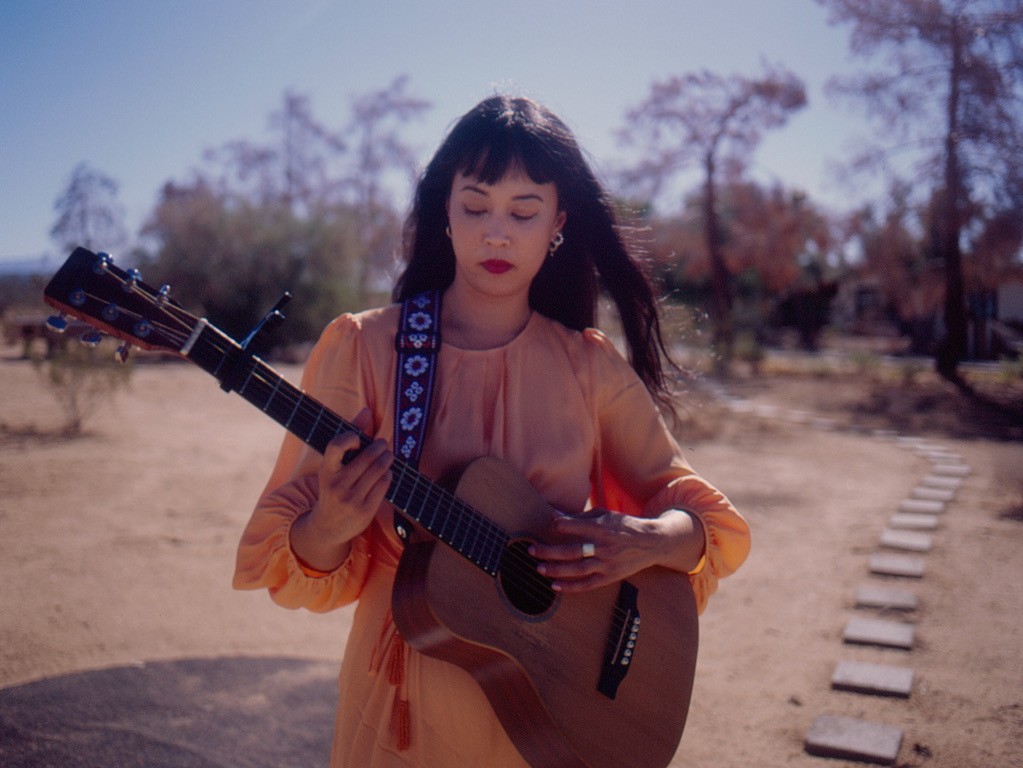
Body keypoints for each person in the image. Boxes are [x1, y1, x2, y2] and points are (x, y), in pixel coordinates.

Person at [233, 94, 751, 768]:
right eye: (474, 207)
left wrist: (648, 539)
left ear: (557, 225)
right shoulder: (366, 348)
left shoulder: (587, 367)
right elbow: (294, 559)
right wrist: (330, 524)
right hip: (404, 716)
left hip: (552, 712)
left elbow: (704, 521)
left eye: (523, 212)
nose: (496, 234)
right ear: (442, 214)